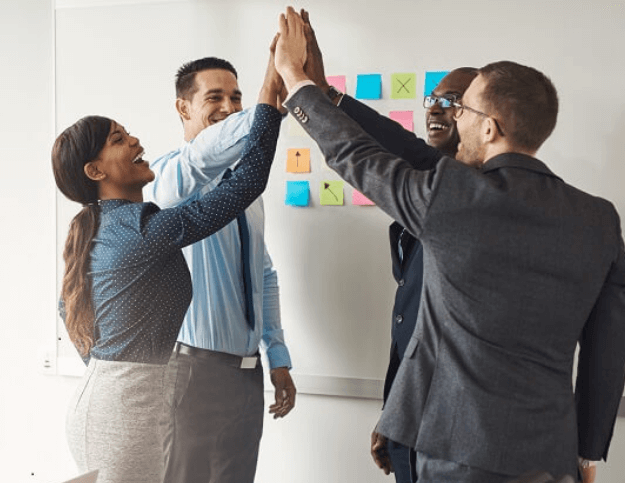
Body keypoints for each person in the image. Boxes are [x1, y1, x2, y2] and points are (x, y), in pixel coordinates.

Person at [274, 7, 625, 483]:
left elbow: (356, 155)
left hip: (454, 451)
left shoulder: (454, 195)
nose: (453, 117)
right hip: (551, 455)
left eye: (463, 110)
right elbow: (608, 347)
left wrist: (295, 81)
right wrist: (585, 455)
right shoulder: (599, 219)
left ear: (490, 128)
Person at [54, 46, 284, 483]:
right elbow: (246, 181)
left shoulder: (116, 224)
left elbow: (66, 305)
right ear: (96, 171)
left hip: (124, 400)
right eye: (119, 140)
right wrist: (271, 93)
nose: (136, 141)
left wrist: (108, 368)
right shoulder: (142, 224)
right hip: (125, 411)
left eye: (127, 133)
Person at [299, 10, 477, 482]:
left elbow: (381, 146)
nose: (435, 109)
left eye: (452, 101)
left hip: (455, 435)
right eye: (432, 98)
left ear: (486, 119)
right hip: (408, 417)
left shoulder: (481, 199)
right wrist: (393, 413)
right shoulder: (431, 185)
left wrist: (304, 90)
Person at [143, 47, 296, 483]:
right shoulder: (168, 180)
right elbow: (199, 159)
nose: (229, 107)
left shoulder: (246, 190)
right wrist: (267, 101)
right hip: (191, 374)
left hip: (247, 376)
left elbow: (263, 274)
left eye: (236, 97)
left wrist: (277, 356)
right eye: (214, 97)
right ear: (183, 108)